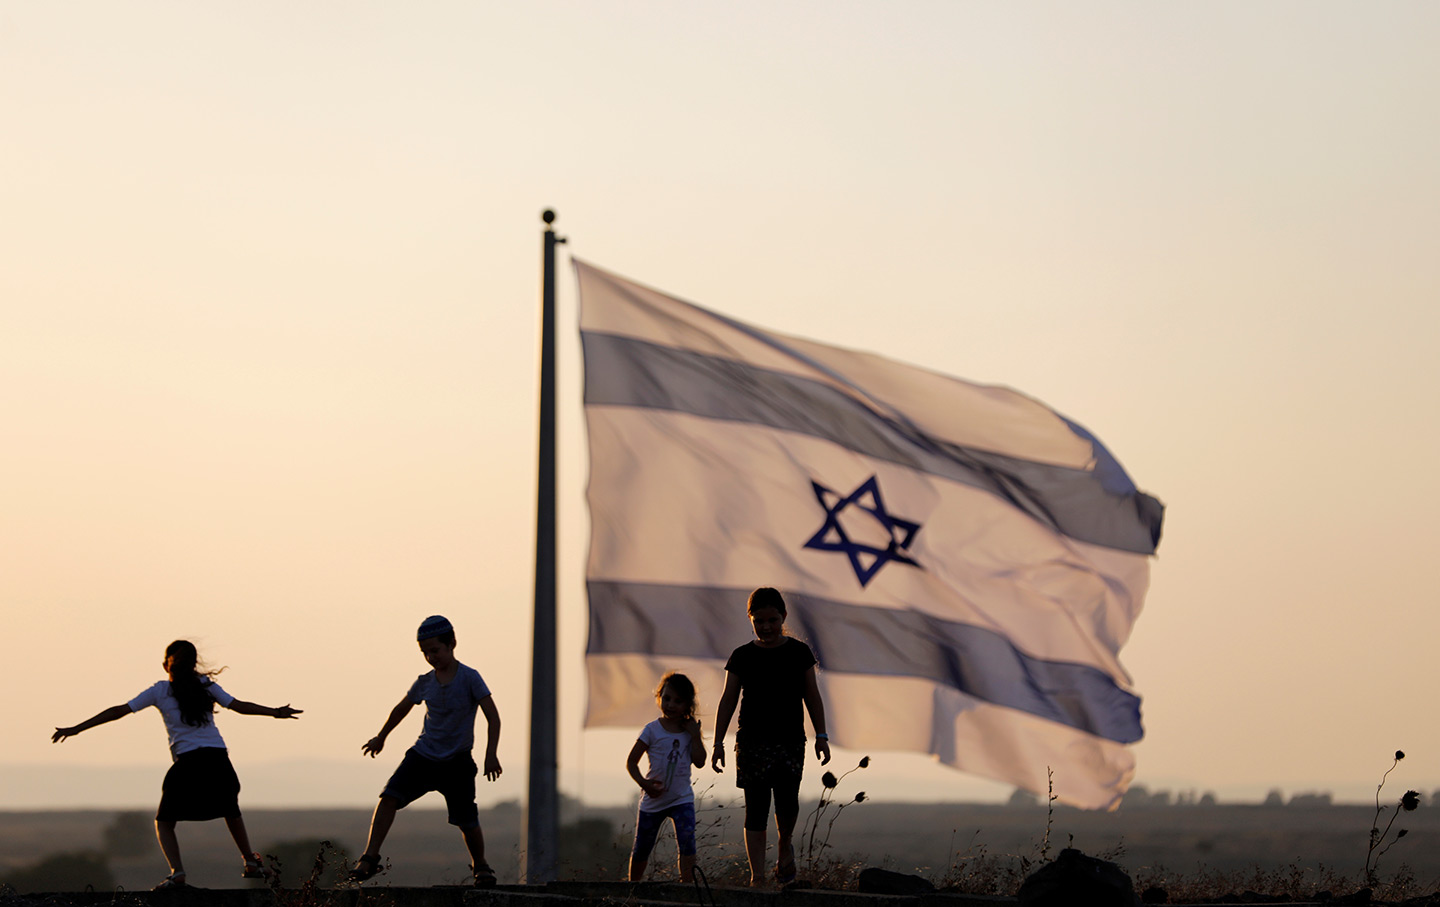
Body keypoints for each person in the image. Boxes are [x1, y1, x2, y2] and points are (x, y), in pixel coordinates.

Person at [51, 639, 302, 889]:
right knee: (230, 809)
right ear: (193, 665)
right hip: (217, 758)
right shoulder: (206, 686)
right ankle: (250, 861)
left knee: (164, 821)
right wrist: (275, 712)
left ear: (165, 665)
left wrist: (77, 729)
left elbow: (119, 711)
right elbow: (239, 706)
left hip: (189, 761)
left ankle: (177, 872)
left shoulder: (160, 690)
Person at [349, 615, 502, 887]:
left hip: (456, 761)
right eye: (425, 653)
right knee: (388, 798)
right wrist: (381, 736)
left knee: (467, 820)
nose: (431, 658)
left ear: (452, 644)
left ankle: (481, 865)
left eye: (435, 651)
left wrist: (491, 754)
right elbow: (401, 708)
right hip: (423, 756)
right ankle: (370, 857)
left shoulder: (469, 678)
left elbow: (493, 717)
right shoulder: (425, 682)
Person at [711, 587, 829, 886]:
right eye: (759, 621)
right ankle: (758, 876)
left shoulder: (799, 653)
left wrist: (822, 735)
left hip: (790, 741)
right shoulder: (741, 656)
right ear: (750, 619)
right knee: (756, 807)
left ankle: (784, 845)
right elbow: (727, 701)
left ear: (783, 617)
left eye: (772, 620)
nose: (765, 627)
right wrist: (717, 743)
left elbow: (812, 696)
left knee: (788, 803)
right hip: (751, 742)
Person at [625, 672, 707, 882]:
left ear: (688, 704)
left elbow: (699, 761)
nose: (671, 705)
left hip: (681, 798)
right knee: (643, 845)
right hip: (653, 799)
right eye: (667, 698)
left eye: (678, 701)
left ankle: (688, 887)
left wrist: (695, 736)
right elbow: (631, 761)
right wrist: (644, 783)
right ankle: (632, 887)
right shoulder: (652, 730)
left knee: (687, 841)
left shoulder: (690, 730)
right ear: (659, 696)